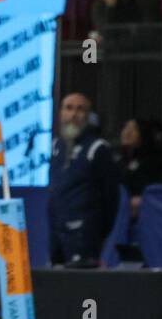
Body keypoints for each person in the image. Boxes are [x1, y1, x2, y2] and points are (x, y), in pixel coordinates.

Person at [48, 92, 121, 266]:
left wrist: (97, 231)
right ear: (60, 113)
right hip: (56, 230)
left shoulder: (98, 148)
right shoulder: (56, 146)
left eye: (80, 109)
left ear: (88, 116)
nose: (73, 114)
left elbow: (111, 197)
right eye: (68, 108)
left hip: (84, 233)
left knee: (80, 286)